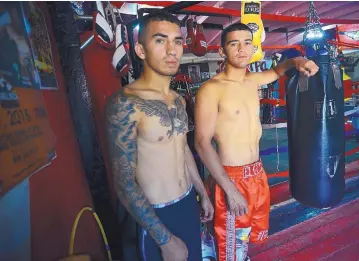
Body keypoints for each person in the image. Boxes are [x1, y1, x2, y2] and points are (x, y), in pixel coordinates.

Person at [194, 23, 319, 261]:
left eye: (246, 43)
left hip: (256, 173)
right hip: (230, 178)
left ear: (254, 48)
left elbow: (278, 70)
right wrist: (229, 189)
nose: (242, 49)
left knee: (242, 239)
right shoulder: (211, 89)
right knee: (230, 245)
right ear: (222, 52)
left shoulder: (252, 81)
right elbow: (201, 143)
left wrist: (298, 62)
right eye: (234, 43)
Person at [104, 11, 214, 261]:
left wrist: (202, 193)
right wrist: (164, 240)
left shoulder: (176, 99)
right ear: (141, 50)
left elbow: (182, 149)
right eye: (160, 40)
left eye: (177, 41)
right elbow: (124, 183)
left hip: (187, 203)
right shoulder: (125, 103)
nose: (172, 49)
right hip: (154, 216)